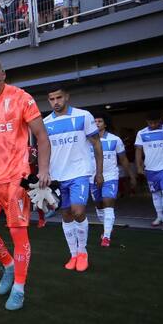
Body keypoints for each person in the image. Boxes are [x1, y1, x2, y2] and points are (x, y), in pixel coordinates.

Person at [0, 55, 51, 311]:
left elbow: (41, 136)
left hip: (17, 177)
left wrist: (45, 170)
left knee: (18, 233)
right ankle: (8, 264)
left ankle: (19, 287)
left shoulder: (21, 98)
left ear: (3, 73)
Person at [43, 85, 103, 272]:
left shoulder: (83, 116)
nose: (56, 102)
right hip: (57, 176)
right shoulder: (45, 123)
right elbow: (45, 150)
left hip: (79, 172)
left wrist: (99, 172)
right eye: (52, 99)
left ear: (66, 97)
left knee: (78, 211)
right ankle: (73, 254)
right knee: (66, 214)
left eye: (59, 97)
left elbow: (96, 144)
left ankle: (83, 251)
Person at [90, 115, 136, 247]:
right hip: (92, 177)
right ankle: (107, 226)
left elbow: (123, 159)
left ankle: (106, 236)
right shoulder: (87, 140)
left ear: (105, 124)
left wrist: (131, 176)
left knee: (107, 203)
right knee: (98, 205)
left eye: (100, 121)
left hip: (110, 176)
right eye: (95, 122)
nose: (97, 124)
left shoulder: (115, 140)